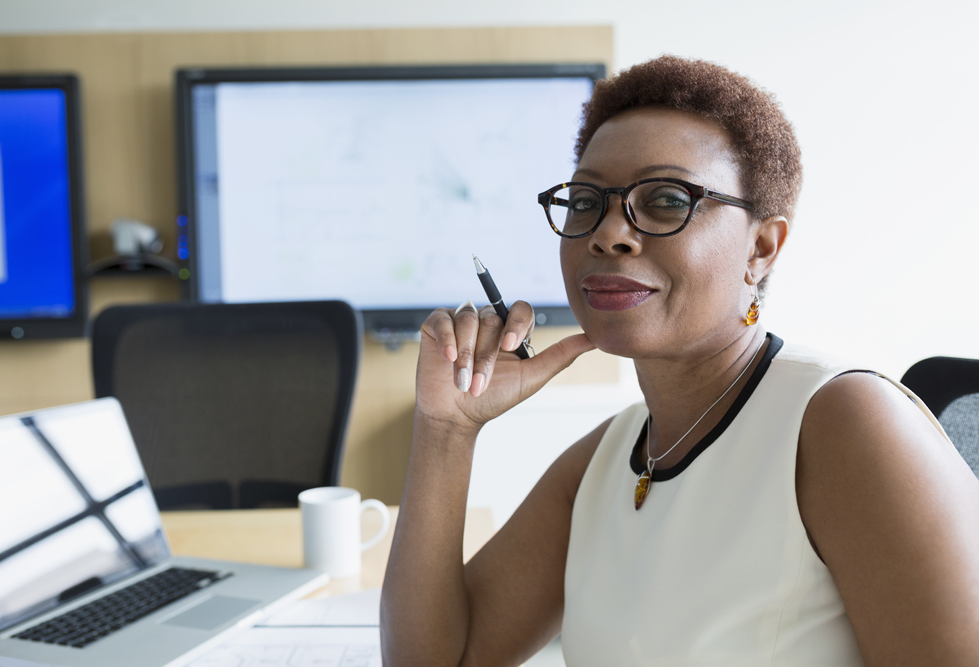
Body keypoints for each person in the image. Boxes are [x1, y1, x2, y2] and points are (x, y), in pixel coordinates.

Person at [380, 55, 979, 666]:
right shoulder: (605, 459)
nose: (608, 233)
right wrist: (446, 430)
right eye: (586, 201)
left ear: (761, 249)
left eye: (666, 198)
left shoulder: (848, 423)